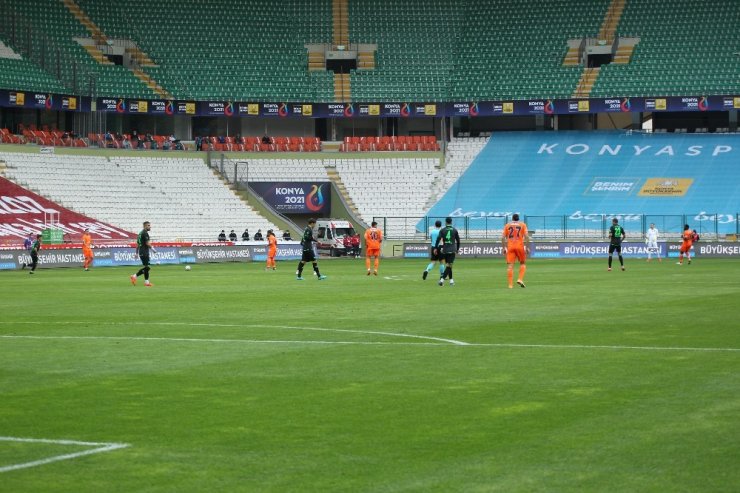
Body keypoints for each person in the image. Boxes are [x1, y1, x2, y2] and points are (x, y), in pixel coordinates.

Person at [502, 213, 530, 288]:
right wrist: (527, 247)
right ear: (518, 219)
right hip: (520, 246)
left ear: (512, 219)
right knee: (523, 263)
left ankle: (510, 285)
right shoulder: (523, 225)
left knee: (510, 266)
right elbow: (527, 237)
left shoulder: (507, 225)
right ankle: (520, 279)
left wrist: (504, 248)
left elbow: (502, 238)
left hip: (510, 247)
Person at [433, 217, 461, 286]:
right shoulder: (454, 230)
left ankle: (451, 281)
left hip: (445, 250)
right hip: (452, 250)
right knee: (449, 266)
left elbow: (438, 239)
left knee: (449, 265)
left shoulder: (442, 230)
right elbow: (458, 241)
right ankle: (442, 280)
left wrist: (436, 248)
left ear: (445, 222)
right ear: (451, 222)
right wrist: (457, 249)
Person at [131, 221, 155, 287]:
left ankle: (146, 283)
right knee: (147, 268)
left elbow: (138, 245)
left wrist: (136, 253)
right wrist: (153, 249)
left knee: (146, 267)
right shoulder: (145, 233)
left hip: (141, 252)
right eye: (148, 225)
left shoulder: (140, 233)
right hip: (144, 252)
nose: (150, 227)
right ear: (145, 226)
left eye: (149, 225)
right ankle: (134, 276)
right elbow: (147, 243)